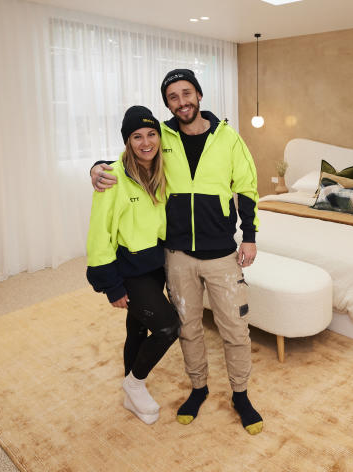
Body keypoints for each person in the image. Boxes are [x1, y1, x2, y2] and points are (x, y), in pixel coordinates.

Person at [90, 68, 263, 435]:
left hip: (220, 254)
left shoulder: (228, 138)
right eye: (173, 97)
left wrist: (249, 234)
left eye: (187, 93)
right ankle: (198, 389)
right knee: (187, 328)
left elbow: (247, 186)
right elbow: (134, 156)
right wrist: (96, 167)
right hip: (177, 255)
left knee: (235, 328)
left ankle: (241, 395)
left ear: (199, 95)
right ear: (167, 104)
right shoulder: (162, 136)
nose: (182, 102)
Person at [86, 105, 180, 425]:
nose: (145, 142)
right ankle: (135, 382)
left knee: (138, 327)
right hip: (129, 270)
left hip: (157, 265)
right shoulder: (112, 177)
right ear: (127, 141)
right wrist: (110, 284)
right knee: (168, 327)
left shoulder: (163, 172)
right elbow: (99, 235)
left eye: (151, 134)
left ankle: (130, 396)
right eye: (136, 136)